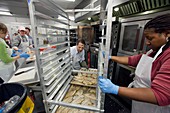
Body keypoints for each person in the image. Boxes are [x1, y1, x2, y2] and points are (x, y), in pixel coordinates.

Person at [99, 13, 170, 113]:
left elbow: (160, 95)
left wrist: (116, 89)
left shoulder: (168, 55)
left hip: (155, 108)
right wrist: (110, 57)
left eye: (150, 38)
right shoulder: (153, 52)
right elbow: (133, 60)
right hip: (140, 103)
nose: (147, 43)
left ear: (167, 34)